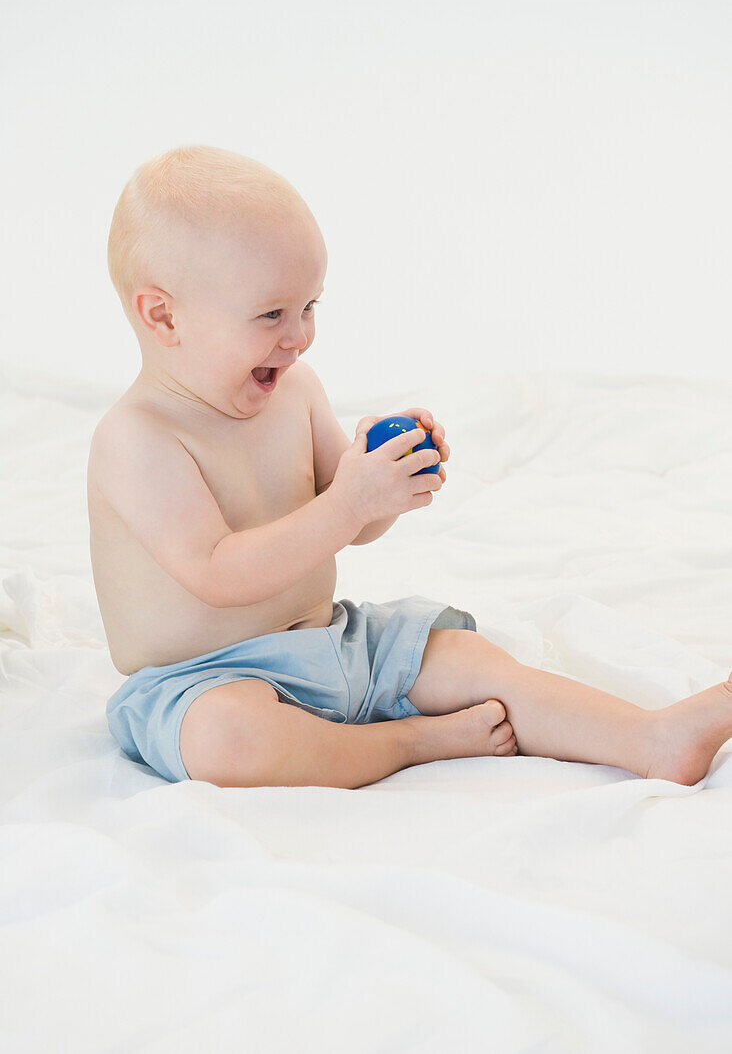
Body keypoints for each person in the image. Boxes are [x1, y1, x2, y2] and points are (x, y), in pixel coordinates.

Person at [91, 144, 732, 788]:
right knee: (228, 740)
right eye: (271, 314)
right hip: (203, 680)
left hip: (335, 644)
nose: (300, 335)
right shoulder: (139, 439)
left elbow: (353, 526)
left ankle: (650, 738)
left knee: (470, 662)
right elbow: (216, 573)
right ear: (164, 315)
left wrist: (381, 483)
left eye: (311, 306)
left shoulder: (297, 390)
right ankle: (411, 742)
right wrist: (347, 503)